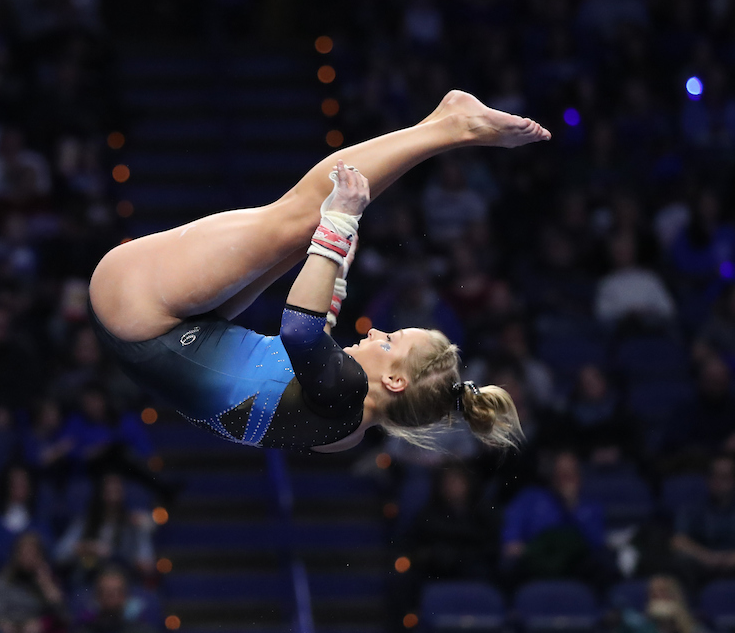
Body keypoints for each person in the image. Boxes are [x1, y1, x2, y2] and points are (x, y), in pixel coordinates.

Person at [88, 91, 545, 454]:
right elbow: (307, 359)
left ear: (395, 381)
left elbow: (301, 333)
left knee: (302, 217)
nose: (378, 332)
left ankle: (452, 126)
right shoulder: (347, 429)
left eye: (390, 342)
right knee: (308, 230)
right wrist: (337, 268)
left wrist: (341, 223)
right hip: (169, 327)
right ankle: (440, 125)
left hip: (136, 301)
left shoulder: (345, 392)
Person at [501, 451, 608, 584]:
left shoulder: (591, 506)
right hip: (534, 563)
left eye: (571, 474)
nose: (567, 480)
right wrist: (521, 547)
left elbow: (596, 543)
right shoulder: (530, 498)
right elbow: (511, 540)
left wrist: (572, 506)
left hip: (576, 568)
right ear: (552, 475)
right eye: (562, 474)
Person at [0, 531, 67, 633]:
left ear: (41, 556)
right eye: (24, 553)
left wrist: (46, 584)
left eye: (32, 554)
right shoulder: (1, 581)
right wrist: (17, 627)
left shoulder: (47, 582)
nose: (27, 558)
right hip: (9, 631)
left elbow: (64, 617)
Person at [672, 455, 735, 586]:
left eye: (726, 476)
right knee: (681, 559)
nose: (721, 482)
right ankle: (692, 602)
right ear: (708, 479)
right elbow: (679, 541)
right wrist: (707, 557)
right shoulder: (693, 509)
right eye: (716, 476)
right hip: (704, 563)